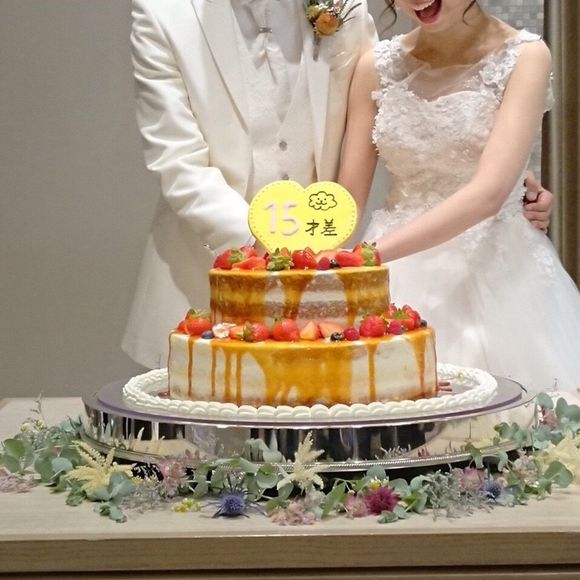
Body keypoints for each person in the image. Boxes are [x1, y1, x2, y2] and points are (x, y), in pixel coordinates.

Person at [122, 0, 553, 371]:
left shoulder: (345, 8)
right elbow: (178, 162)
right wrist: (272, 252)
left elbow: (432, 126)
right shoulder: (164, 14)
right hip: (207, 281)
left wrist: (506, 181)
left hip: (344, 281)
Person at [338, 0, 580, 392]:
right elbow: (346, 198)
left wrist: (368, 257)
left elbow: (488, 193)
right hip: (393, 274)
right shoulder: (375, 66)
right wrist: (302, 259)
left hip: (496, 270)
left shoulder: (525, 56)